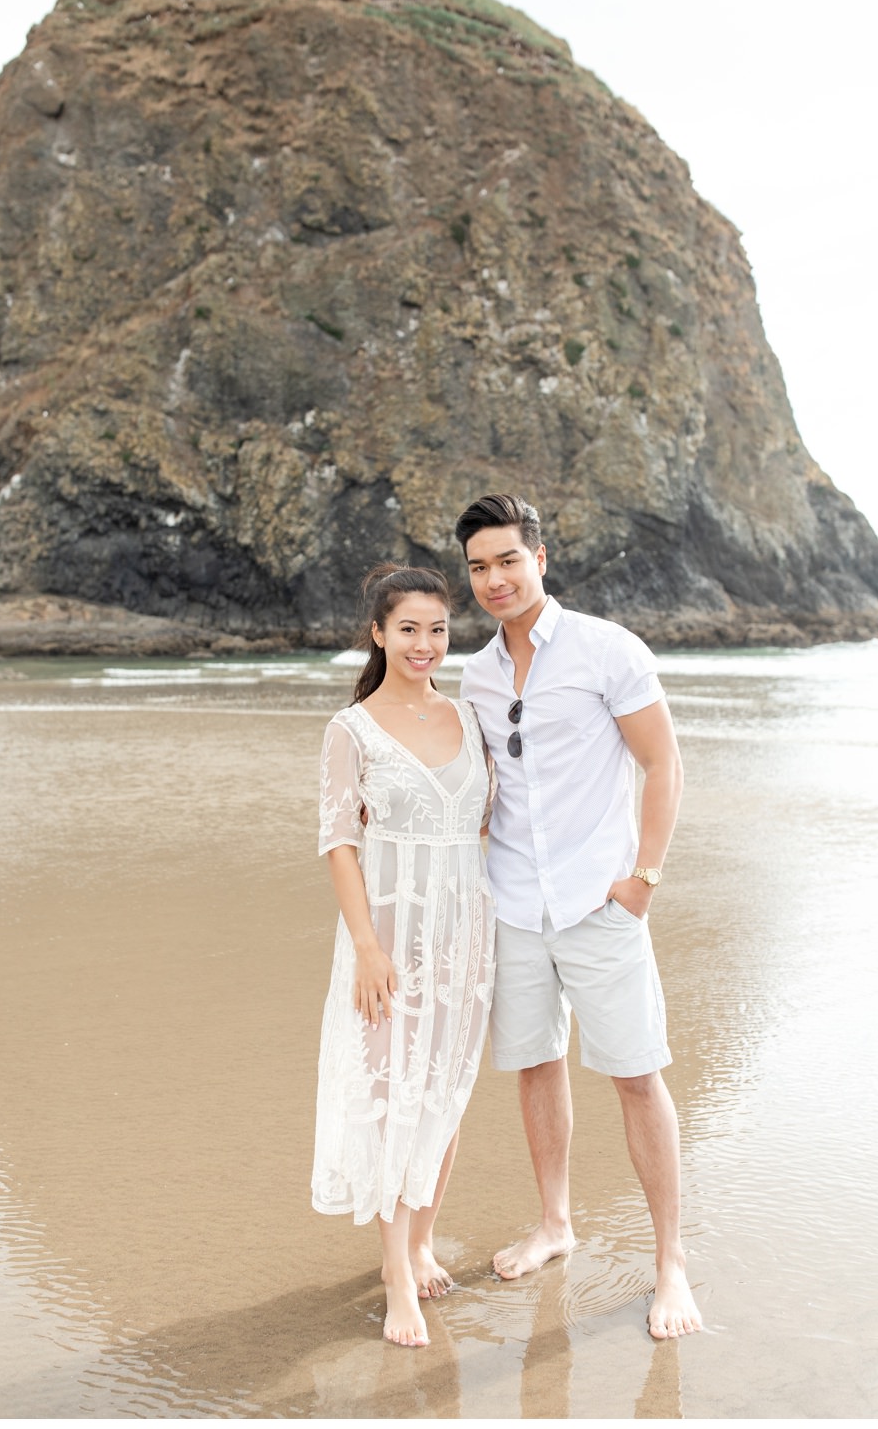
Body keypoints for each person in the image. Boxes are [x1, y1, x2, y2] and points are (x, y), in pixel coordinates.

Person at [452, 492, 703, 1340]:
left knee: (636, 1075)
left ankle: (670, 1263)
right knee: (537, 1064)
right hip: (514, 904)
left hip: (602, 903)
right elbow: (482, 788)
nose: (494, 580)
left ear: (540, 559)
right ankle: (555, 1224)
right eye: (479, 567)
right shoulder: (478, 675)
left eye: (507, 561)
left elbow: (663, 763)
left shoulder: (607, 649)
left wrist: (644, 879)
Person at [312, 564, 496, 1348]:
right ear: (379, 633)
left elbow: (489, 828)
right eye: (409, 629)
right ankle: (395, 1274)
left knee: (445, 1091)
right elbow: (338, 842)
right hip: (387, 941)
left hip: (464, 938)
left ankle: (422, 1239)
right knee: (393, 1095)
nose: (426, 645)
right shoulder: (350, 730)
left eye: (439, 629)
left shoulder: (470, 718)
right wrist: (367, 947)